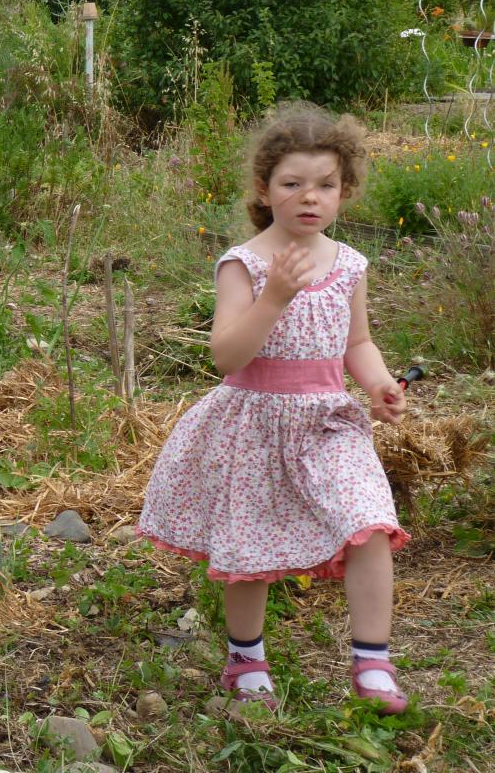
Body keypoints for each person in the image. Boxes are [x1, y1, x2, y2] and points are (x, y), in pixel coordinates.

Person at [137, 106, 410, 713]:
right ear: (264, 189)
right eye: (292, 183)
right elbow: (226, 355)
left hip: (328, 423)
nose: (309, 198)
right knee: (249, 550)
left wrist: (379, 383)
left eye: (326, 185)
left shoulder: (348, 265)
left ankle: (372, 661)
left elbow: (357, 341)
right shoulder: (246, 263)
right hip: (253, 421)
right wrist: (275, 298)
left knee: (369, 523)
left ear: (344, 192)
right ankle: (246, 659)